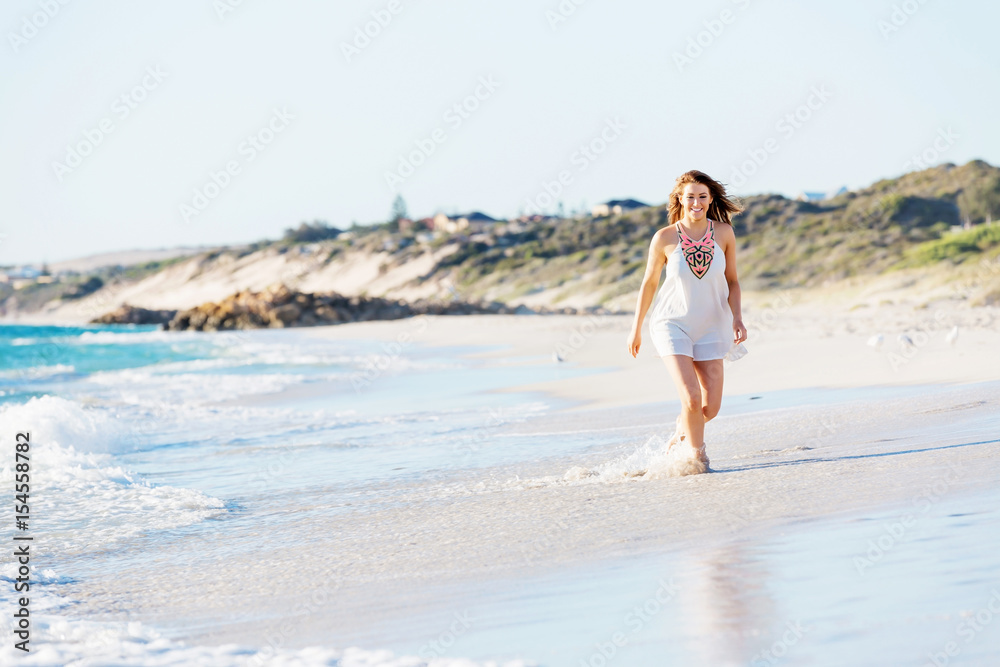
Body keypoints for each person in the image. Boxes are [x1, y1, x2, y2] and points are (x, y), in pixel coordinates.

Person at [626, 170, 748, 469]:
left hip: (711, 325)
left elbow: (732, 280)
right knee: (692, 398)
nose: (696, 202)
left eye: (702, 196)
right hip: (672, 323)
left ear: (710, 199)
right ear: (680, 199)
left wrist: (738, 318)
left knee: (711, 407)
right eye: (690, 196)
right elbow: (649, 283)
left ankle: (683, 429)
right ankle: (698, 457)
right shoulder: (664, 238)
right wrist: (636, 328)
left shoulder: (723, 233)